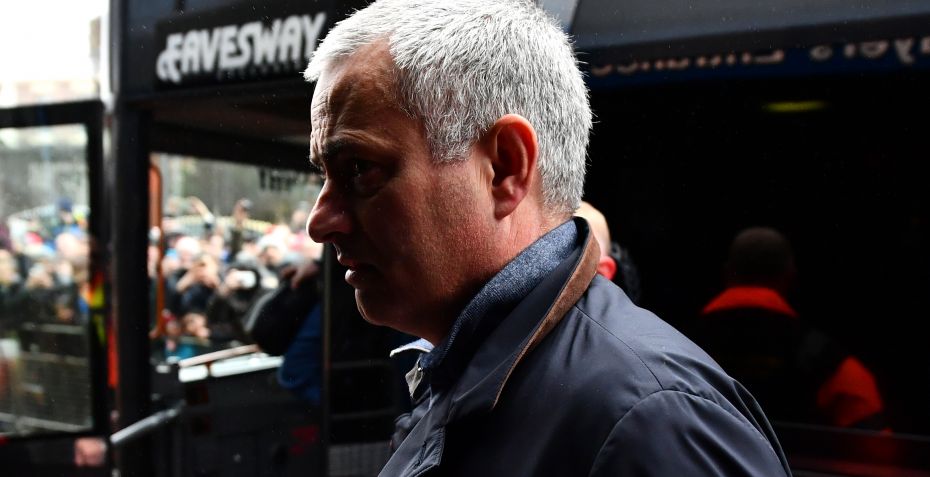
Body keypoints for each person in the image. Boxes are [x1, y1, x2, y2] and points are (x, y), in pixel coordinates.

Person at [303, 1, 790, 475]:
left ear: (504, 169)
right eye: (324, 175)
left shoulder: (654, 420)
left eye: (359, 170)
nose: (320, 222)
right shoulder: (485, 374)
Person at [693, 226, 887, 430]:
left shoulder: (685, 342)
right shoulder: (824, 357)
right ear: (790, 275)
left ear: (727, 272)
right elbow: (873, 437)